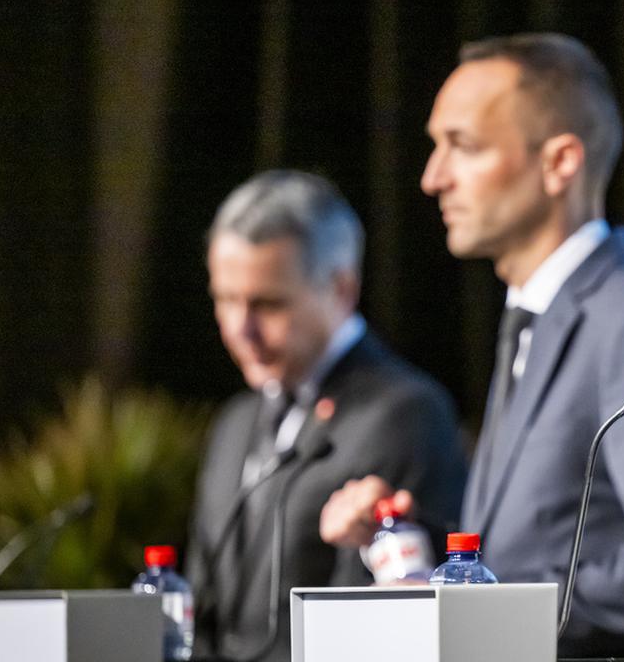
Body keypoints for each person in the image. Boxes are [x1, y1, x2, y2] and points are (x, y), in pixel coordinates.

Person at [319, 33, 624, 660]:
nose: (433, 178)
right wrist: (415, 545)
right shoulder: (534, 316)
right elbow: (545, 546)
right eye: (435, 146)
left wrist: (480, 610)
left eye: (463, 146)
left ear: (560, 162)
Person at [186, 170, 468, 662]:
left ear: (341, 289)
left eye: (267, 304)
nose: (240, 328)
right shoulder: (234, 423)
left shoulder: (406, 415)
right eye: (226, 299)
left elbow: (400, 616)